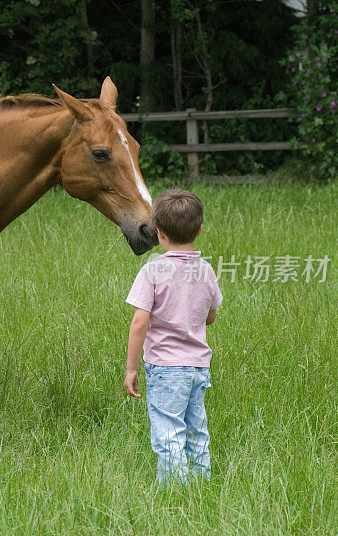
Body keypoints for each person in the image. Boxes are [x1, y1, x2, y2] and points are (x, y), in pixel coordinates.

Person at [123, 189, 223, 483]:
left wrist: (131, 369)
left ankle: (174, 490)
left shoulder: (154, 270)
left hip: (166, 369)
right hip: (198, 367)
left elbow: (140, 323)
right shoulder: (205, 271)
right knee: (196, 429)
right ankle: (201, 483)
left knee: (168, 430)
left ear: (158, 232)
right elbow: (211, 315)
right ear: (200, 230)